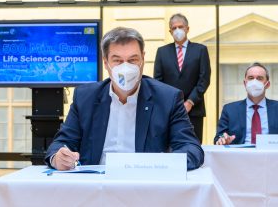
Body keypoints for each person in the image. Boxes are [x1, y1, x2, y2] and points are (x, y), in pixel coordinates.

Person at [45, 27, 204, 171]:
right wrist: (59, 158)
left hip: (144, 185)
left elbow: (191, 148)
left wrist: (163, 164)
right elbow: (61, 144)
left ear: (142, 59)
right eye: (118, 60)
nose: (126, 68)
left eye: (133, 60)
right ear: (106, 63)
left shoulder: (168, 98)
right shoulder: (85, 97)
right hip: (94, 186)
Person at [154, 13, 211, 143]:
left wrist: (190, 102)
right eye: (174, 28)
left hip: (194, 110)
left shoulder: (200, 50)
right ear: (170, 31)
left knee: (194, 146)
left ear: (187, 29)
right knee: (170, 147)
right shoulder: (162, 52)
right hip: (169, 110)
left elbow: (204, 79)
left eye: (180, 27)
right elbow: (158, 81)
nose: (177, 30)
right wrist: (172, 103)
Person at [215, 62, 278, 145]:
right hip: (240, 156)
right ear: (245, 83)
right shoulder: (230, 109)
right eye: (251, 78)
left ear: (267, 84)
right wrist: (223, 140)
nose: (254, 82)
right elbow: (219, 137)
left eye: (259, 78)